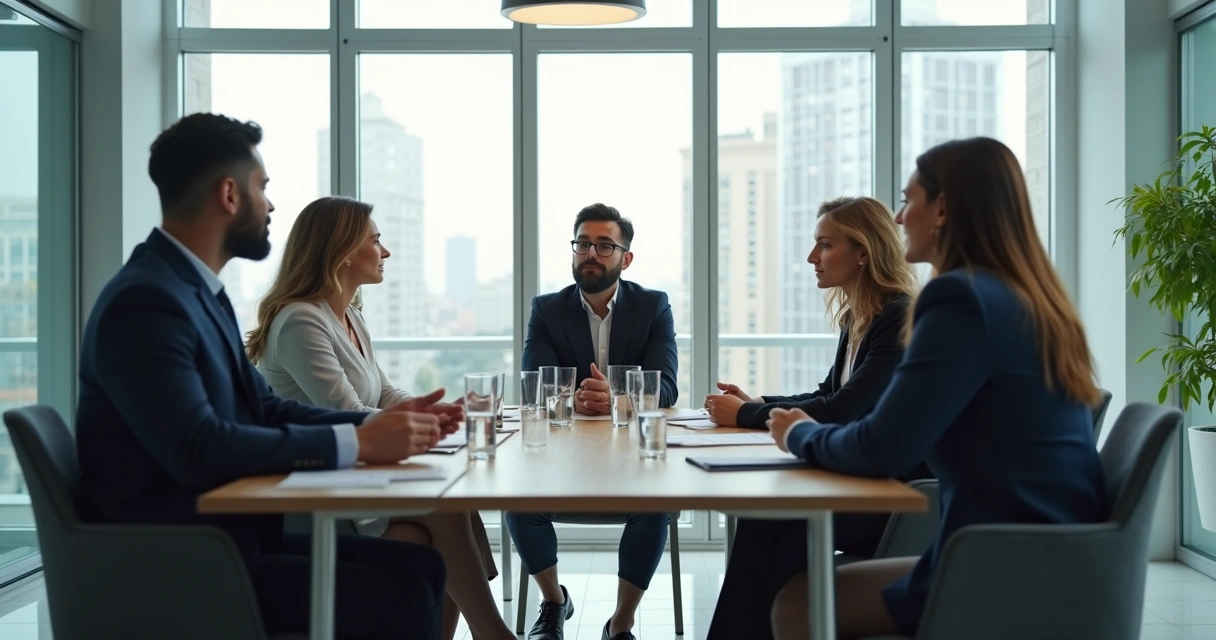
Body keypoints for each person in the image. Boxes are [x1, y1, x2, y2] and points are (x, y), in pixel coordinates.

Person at [76, 113, 451, 640]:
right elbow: (198, 447)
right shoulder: (148, 301)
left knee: (426, 569)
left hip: (231, 539)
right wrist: (355, 439)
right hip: (181, 558)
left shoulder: (195, 292)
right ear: (230, 194)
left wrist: (371, 430)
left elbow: (266, 406)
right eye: (263, 188)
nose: (271, 206)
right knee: (404, 591)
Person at [759, 137, 1106, 640]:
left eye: (907, 200)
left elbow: (881, 446)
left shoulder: (958, 299)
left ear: (941, 208)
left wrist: (796, 435)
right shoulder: (1026, 296)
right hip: (1052, 548)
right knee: (795, 580)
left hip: (1004, 562)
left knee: (796, 606)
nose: (899, 218)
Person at [247, 195, 515, 640]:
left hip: (355, 472)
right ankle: (493, 633)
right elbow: (345, 413)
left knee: (454, 505)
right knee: (443, 508)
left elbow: (381, 390)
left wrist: (437, 412)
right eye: (376, 240)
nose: (385, 251)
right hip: (320, 484)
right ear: (344, 251)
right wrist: (421, 426)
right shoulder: (300, 322)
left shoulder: (348, 314)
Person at [704, 196, 925, 639]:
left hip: (898, 494)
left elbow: (845, 410)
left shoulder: (898, 316)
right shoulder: (858, 315)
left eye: (825, 245)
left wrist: (746, 413)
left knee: (790, 529)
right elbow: (829, 394)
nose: (811, 258)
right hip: (859, 477)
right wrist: (760, 399)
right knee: (760, 518)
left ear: (862, 251)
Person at [513, 203, 678, 640]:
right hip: (561, 455)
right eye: (583, 243)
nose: (591, 253)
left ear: (626, 258)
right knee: (517, 502)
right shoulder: (547, 309)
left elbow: (667, 389)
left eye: (605, 245)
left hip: (631, 455)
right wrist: (581, 400)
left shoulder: (653, 305)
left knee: (655, 506)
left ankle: (620, 623)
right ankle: (553, 603)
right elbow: (537, 388)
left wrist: (617, 399)